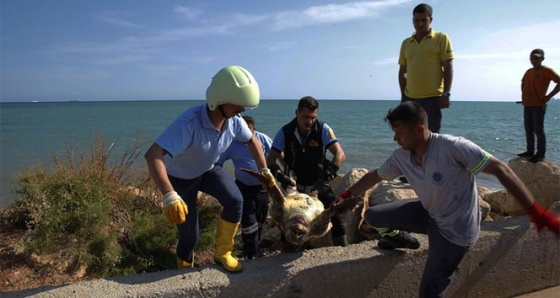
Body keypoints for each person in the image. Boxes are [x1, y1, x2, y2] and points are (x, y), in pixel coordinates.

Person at [334, 101, 560, 297]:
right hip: (429, 214)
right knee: (373, 215)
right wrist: (346, 196)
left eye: (399, 133)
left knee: (430, 292)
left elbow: (502, 169)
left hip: (454, 233)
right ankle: (400, 240)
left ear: (419, 129)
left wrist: (536, 212)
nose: (395, 138)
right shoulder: (401, 156)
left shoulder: (453, 147)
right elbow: (374, 175)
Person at [144, 65, 275, 272]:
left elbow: (253, 142)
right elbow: (153, 155)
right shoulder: (189, 123)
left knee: (235, 200)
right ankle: (185, 268)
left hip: (207, 170)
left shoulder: (233, 121)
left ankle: (223, 253)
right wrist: (169, 194)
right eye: (238, 105)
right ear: (219, 100)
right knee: (190, 236)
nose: (242, 111)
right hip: (180, 179)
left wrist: (264, 170)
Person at [266, 96, 410, 248]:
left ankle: (341, 251)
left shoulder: (322, 129)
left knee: (337, 217)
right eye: (305, 117)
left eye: (313, 117)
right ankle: (288, 251)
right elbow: (270, 161)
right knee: (286, 219)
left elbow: (340, 155)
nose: (309, 121)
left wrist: (326, 178)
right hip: (294, 186)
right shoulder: (285, 132)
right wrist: (282, 178)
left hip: (318, 183)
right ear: (297, 113)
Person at [215, 115, 274, 259]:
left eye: (250, 131)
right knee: (248, 220)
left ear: (254, 129)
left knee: (260, 220)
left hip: (262, 188)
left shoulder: (263, 139)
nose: (246, 135)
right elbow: (218, 163)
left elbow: (276, 155)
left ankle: (256, 246)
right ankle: (251, 254)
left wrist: (285, 175)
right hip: (243, 187)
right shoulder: (232, 144)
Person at [398, 3, 454, 133]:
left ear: (431, 20)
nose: (420, 24)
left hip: (432, 99)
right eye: (417, 20)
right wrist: (403, 97)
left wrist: (446, 94)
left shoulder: (441, 38)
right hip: (410, 98)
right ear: (413, 20)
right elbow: (402, 72)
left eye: (424, 20)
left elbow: (448, 67)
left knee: (431, 137)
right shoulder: (406, 43)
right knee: (409, 135)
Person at [517, 48, 560, 163]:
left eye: (536, 58)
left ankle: (540, 154)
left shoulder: (546, 71)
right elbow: (523, 83)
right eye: (532, 58)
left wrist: (549, 96)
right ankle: (530, 151)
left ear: (542, 59)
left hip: (538, 106)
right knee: (528, 130)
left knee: (538, 131)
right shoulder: (529, 71)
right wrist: (525, 97)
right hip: (527, 105)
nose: (533, 60)